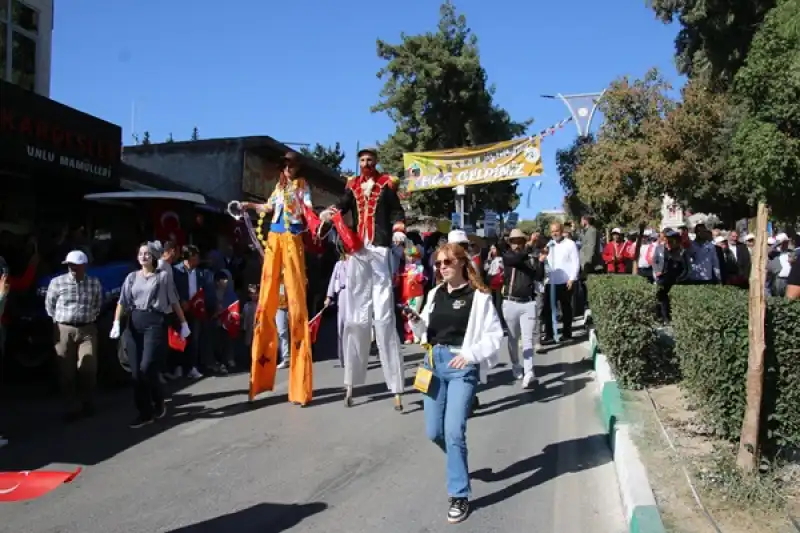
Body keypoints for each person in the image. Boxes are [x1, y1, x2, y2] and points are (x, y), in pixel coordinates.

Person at [406, 243, 503, 524]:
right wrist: (415, 321)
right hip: (433, 364)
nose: (441, 268)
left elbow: (494, 336)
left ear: (462, 263)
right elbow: (424, 330)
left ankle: (459, 494)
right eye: (437, 264)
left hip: (461, 367)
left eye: (447, 262)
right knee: (434, 432)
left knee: (453, 431)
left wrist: (470, 355)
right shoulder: (435, 293)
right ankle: (458, 464)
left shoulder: (480, 297)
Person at [320, 147, 406, 411]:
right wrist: (328, 212)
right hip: (357, 250)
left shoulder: (385, 184)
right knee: (356, 317)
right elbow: (343, 204)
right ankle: (351, 381)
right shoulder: (353, 185)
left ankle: (396, 386)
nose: (366, 163)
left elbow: (396, 212)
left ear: (376, 162)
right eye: (362, 160)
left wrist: (398, 231)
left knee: (384, 317)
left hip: (379, 249)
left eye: (370, 160)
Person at [238, 151, 320, 406]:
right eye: (285, 165)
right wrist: (249, 206)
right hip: (275, 238)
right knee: (266, 296)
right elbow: (268, 207)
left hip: (293, 237)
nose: (289, 169)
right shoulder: (278, 186)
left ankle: (300, 388)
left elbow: (306, 207)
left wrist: (318, 219)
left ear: (297, 168)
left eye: (292, 165)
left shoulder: (301, 186)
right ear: (282, 168)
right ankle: (259, 380)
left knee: (296, 300)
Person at [111, 243, 191, 428]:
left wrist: (184, 323)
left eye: (147, 254)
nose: (143, 256)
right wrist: (116, 322)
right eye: (140, 253)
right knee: (136, 373)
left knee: (147, 367)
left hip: (154, 321)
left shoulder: (162, 277)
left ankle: (158, 399)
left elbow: (174, 301)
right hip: (134, 321)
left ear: (154, 257)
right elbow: (122, 302)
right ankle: (145, 413)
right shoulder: (131, 277)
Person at [44, 250, 104, 420]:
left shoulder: (94, 283)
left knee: (89, 366)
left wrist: (90, 317)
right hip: (64, 329)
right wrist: (59, 322)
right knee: (66, 370)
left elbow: (98, 303)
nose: (73, 269)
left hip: (87, 329)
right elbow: (49, 305)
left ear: (84, 266)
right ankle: (71, 406)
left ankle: (87, 401)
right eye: (70, 265)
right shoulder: (57, 283)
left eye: (76, 266)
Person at [501, 229, 546, 388]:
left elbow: (538, 276)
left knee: (527, 339)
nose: (517, 244)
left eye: (520, 241)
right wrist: (529, 248)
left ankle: (529, 372)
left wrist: (540, 261)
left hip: (528, 303)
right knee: (513, 339)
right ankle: (515, 365)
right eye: (514, 241)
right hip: (510, 302)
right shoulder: (508, 256)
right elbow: (516, 260)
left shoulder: (529, 257)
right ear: (510, 243)